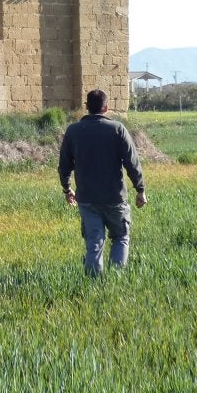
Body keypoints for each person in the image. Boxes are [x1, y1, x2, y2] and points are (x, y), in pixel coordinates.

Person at [58, 89, 147, 275]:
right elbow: (132, 162)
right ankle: (116, 280)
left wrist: (67, 189)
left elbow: (64, 164)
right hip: (115, 197)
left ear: (86, 107)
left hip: (87, 199)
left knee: (94, 243)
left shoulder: (73, 131)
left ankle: (93, 283)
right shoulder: (117, 129)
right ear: (106, 108)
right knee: (121, 237)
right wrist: (140, 189)